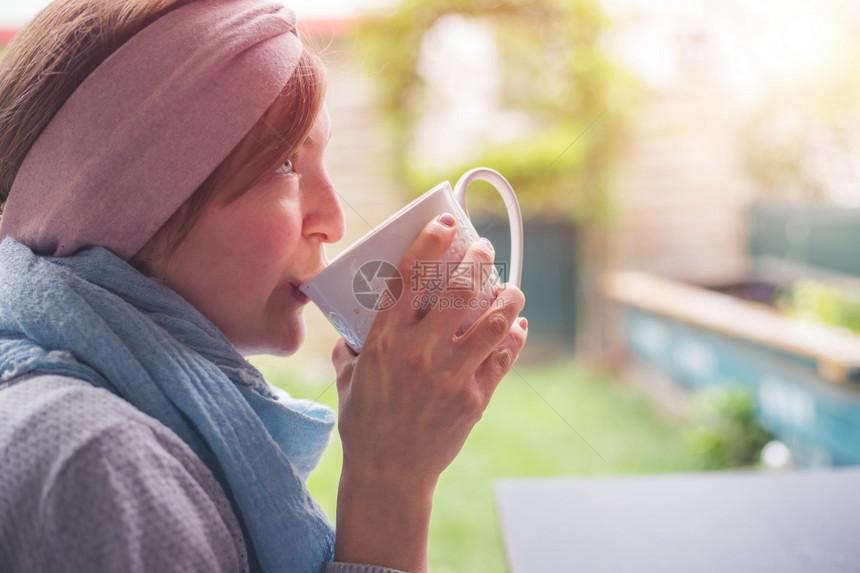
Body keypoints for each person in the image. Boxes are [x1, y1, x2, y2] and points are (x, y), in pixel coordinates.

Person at [0, 0, 527, 572]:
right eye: (284, 166)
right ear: (124, 202)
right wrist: (389, 482)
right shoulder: (97, 466)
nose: (332, 219)